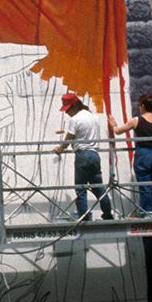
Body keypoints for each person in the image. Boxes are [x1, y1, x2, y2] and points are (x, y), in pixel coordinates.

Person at [55, 92, 114, 221]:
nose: (67, 113)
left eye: (68, 109)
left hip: (82, 156)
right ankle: (108, 214)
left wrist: (59, 149)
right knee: (98, 187)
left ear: (75, 106)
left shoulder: (75, 120)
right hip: (94, 155)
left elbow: (68, 140)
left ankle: (84, 216)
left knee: (81, 188)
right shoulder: (94, 117)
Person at [112, 93, 152, 215]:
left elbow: (118, 131)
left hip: (143, 154)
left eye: (139, 105)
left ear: (143, 106)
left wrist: (113, 124)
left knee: (145, 186)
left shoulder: (136, 121)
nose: (139, 107)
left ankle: (147, 213)